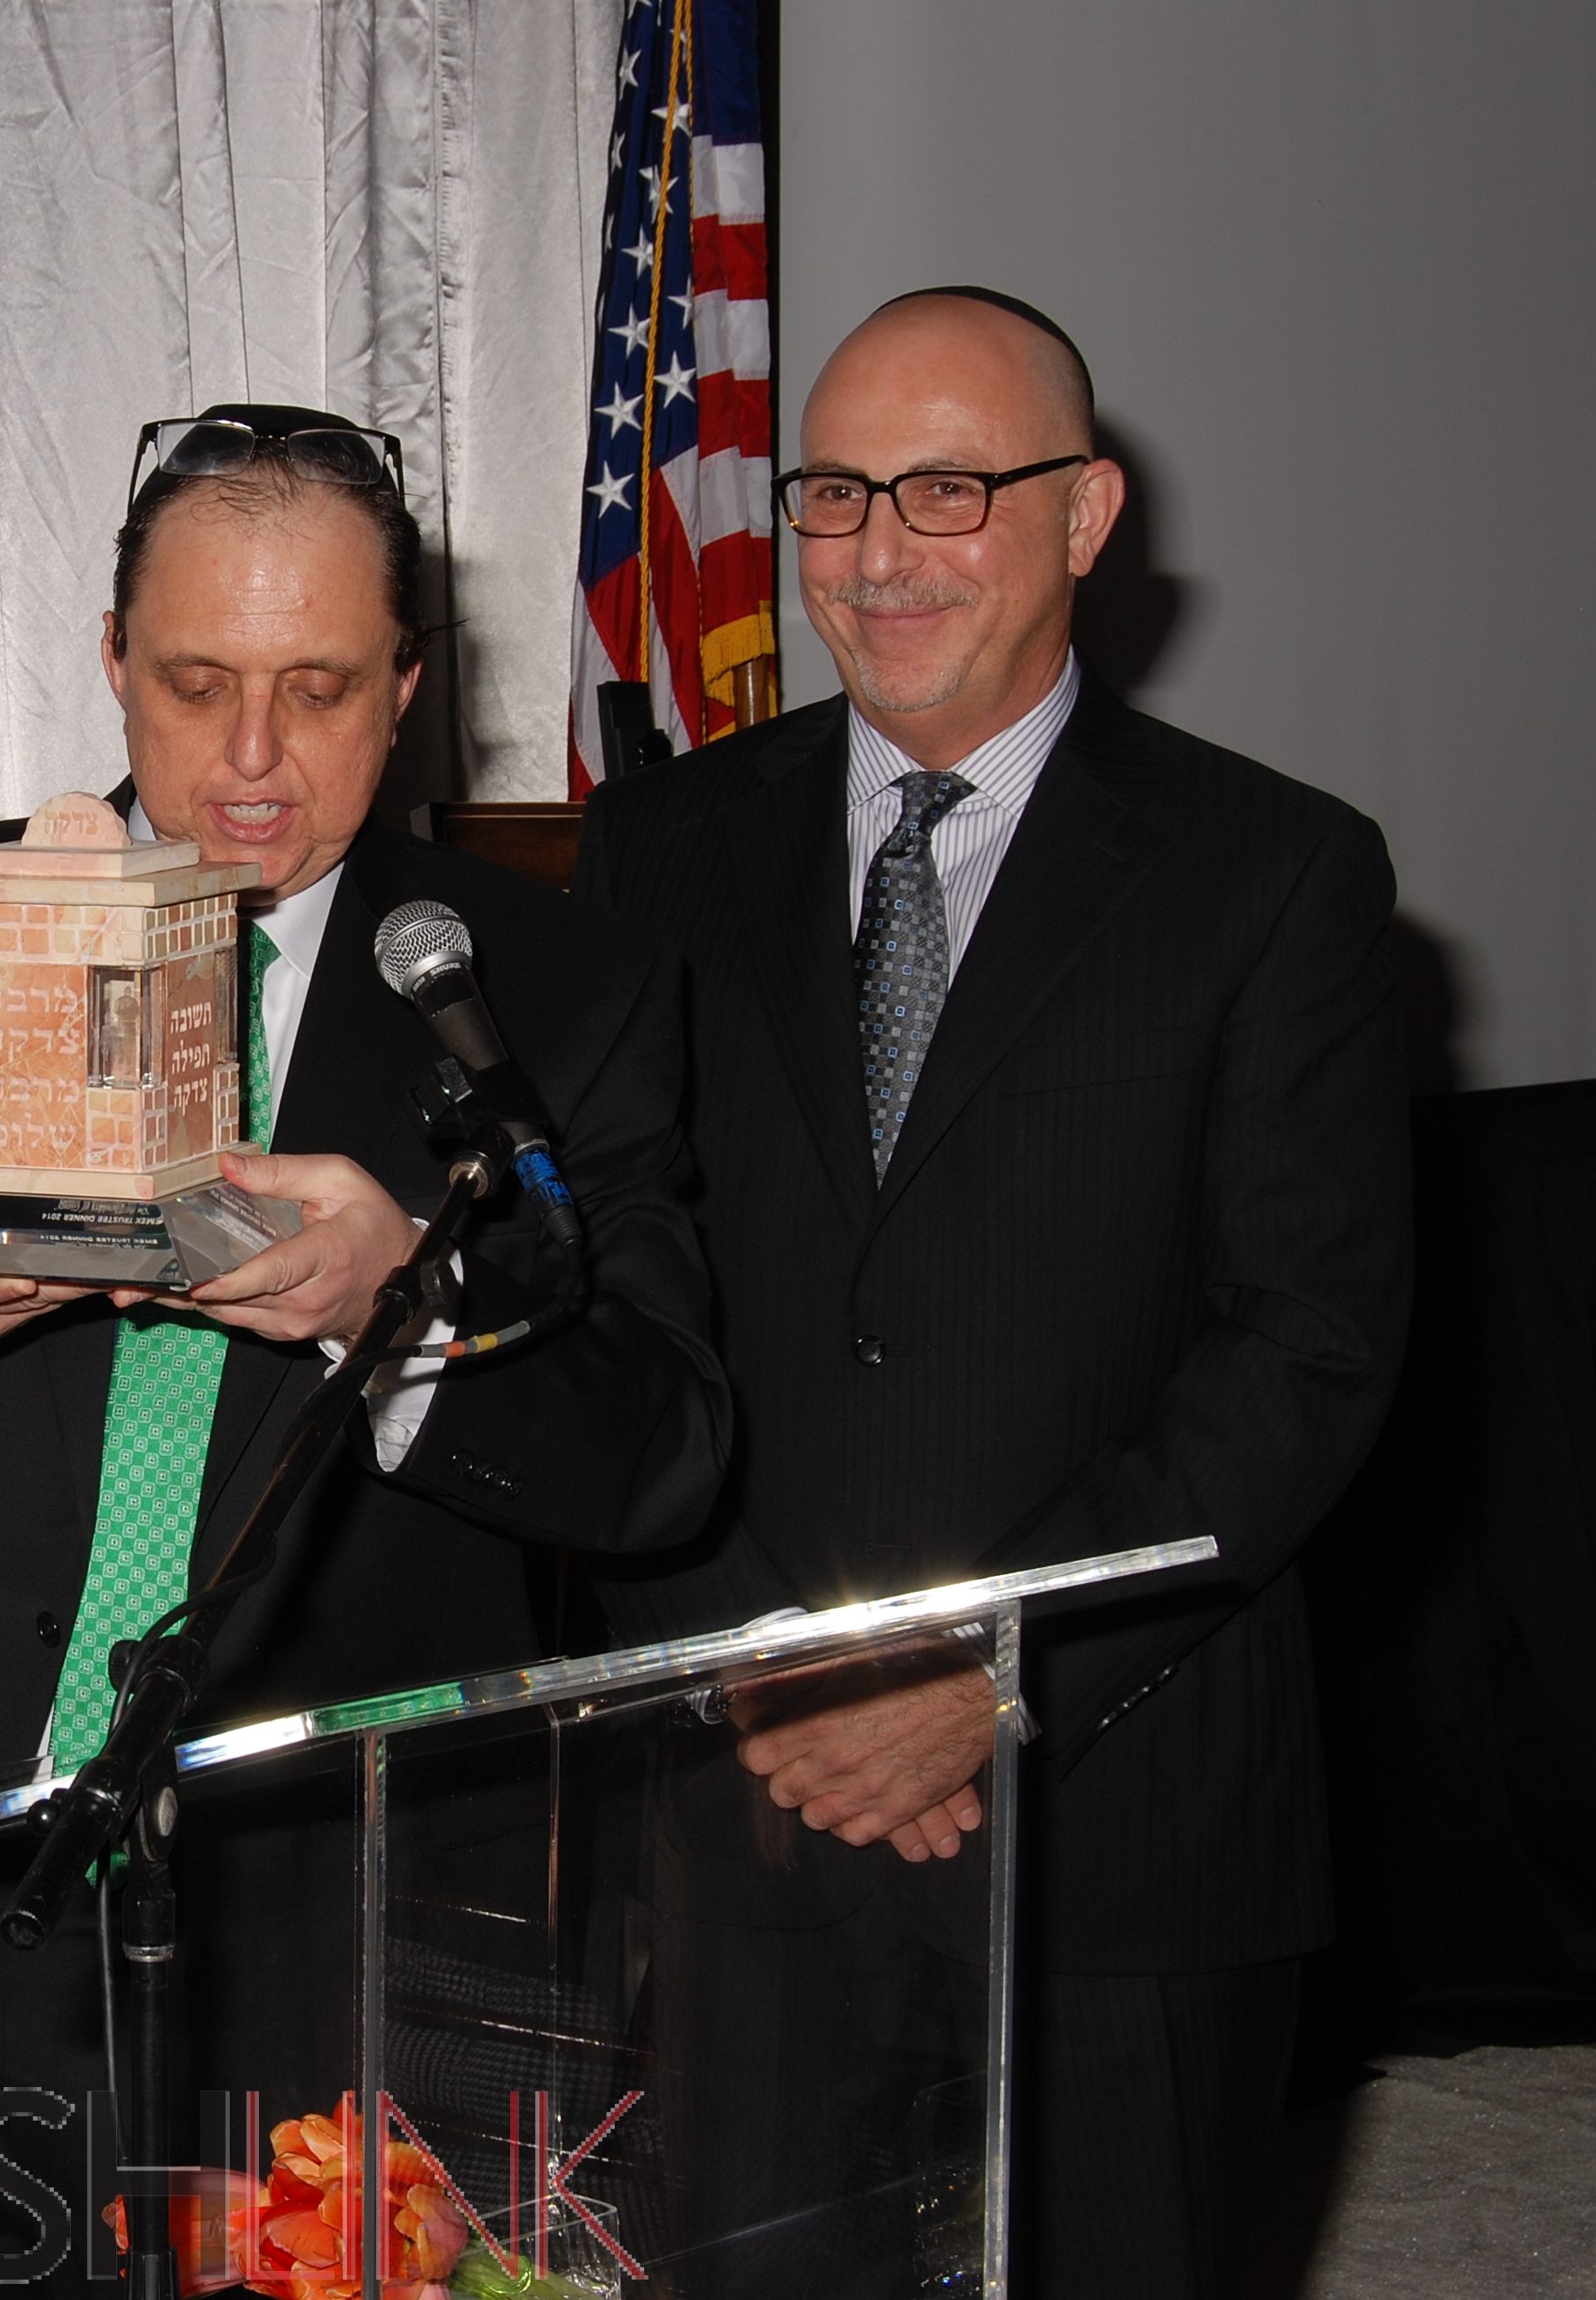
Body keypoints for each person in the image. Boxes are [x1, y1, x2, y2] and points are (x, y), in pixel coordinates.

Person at [0, 403, 732, 2295]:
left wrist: (409, 1319)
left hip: (337, 1921)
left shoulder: (550, 993)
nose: (249, 758)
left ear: (409, 685)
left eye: (320, 689)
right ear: (108, 662)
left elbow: (666, 1461)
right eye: (195, 682)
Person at [571, 289, 1411, 2296]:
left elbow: (1302, 1352)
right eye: (838, 492)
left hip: (1127, 1804)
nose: (881, 552)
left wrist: (985, 1671)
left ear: (1087, 515)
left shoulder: (1277, 873)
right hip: (749, 1788)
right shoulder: (659, 849)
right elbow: (608, 1300)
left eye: (949, 489)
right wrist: (766, 1669)